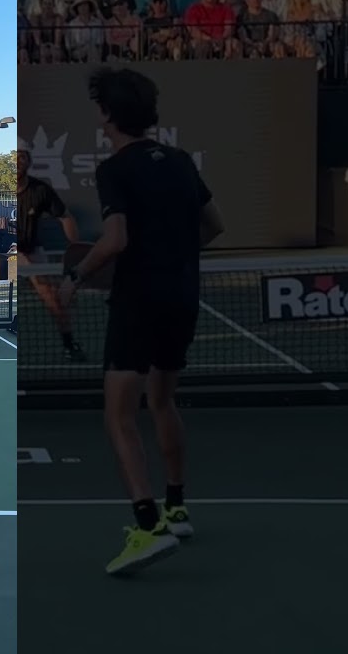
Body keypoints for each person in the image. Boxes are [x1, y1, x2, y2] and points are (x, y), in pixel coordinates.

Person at [56, 67, 225, 576]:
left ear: (107, 113)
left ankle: (147, 526)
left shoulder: (115, 169)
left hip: (138, 302)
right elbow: (214, 227)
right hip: (183, 297)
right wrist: (171, 253)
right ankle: (177, 507)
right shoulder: (179, 162)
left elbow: (115, 241)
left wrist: (76, 278)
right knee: (163, 400)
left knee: (119, 415)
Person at [18, 138, 85, 362]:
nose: (17, 160)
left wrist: (76, 250)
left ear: (29, 161)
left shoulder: (40, 190)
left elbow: (65, 217)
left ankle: (69, 344)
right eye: (13, 156)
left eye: (22, 156)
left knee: (53, 299)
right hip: (3, 252)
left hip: (32, 250)